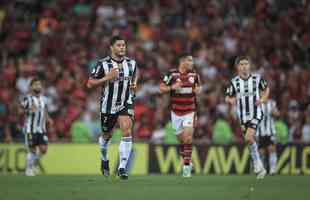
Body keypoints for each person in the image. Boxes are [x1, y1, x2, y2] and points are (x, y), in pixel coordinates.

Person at [86, 36, 138, 180]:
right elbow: (89, 83)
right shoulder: (102, 64)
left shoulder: (131, 63)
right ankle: (104, 158)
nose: (122, 47)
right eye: (119, 45)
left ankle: (122, 167)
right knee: (106, 136)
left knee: (127, 130)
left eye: (124, 45)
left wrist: (134, 84)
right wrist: (106, 78)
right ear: (112, 47)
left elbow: (135, 75)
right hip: (108, 106)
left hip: (125, 103)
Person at [225, 56, 268, 179]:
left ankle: (257, 163)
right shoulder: (234, 82)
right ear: (238, 67)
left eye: (246, 64)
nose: (244, 66)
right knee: (249, 141)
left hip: (256, 112)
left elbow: (266, 89)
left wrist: (263, 99)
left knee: (249, 137)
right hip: (243, 116)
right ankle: (260, 167)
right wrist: (232, 100)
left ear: (249, 66)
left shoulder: (257, 78)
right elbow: (227, 97)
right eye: (242, 64)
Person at [159, 53, 201, 177]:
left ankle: (186, 167)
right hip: (176, 113)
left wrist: (198, 90)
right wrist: (173, 87)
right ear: (183, 61)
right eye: (190, 60)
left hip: (190, 111)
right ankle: (188, 160)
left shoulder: (194, 75)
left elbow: (198, 88)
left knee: (188, 138)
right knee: (182, 141)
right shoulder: (172, 74)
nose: (192, 63)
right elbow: (161, 88)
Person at [20, 78, 53, 176]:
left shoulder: (44, 99)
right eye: (35, 84)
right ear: (31, 87)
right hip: (30, 129)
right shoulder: (27, 99)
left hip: (41, 129)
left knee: (44, 150)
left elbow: (44, 110)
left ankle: (32, 164)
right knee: (33, 149)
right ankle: (29, 170)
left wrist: (48, 119)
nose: (38, 86)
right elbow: (18, 111)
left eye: (39, 84)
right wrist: (29, 110)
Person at [256, 99, 280, 175]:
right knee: (261, 152)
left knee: (271, 149)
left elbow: (277, 114)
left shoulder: (272, 103)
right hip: (260, 132)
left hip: (270, 131)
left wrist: (274, 113)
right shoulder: (256, 103)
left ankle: (273, 169)